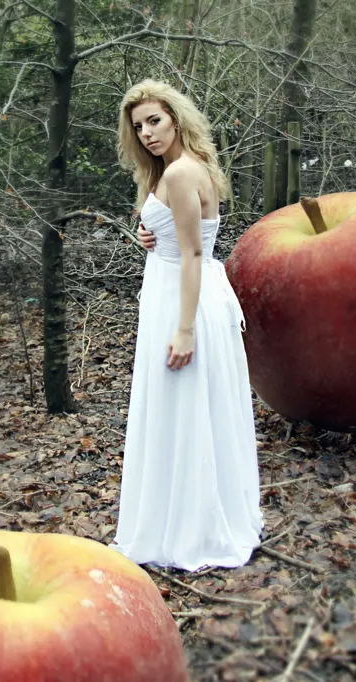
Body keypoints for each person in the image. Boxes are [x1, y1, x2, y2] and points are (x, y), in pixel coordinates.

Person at [109, 78, 263, 572]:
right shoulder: (176, 171)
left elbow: (196, 252)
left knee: (189, 409)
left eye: (155, 120)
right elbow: (180, 237)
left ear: (176, 119)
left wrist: (185, 329)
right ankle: (178, 518)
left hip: (185, 300)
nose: (148, 132)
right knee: (181, 410)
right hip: (174, 290)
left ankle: (192, 529)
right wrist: (148, 234)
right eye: (139, 126)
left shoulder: (179, 174)